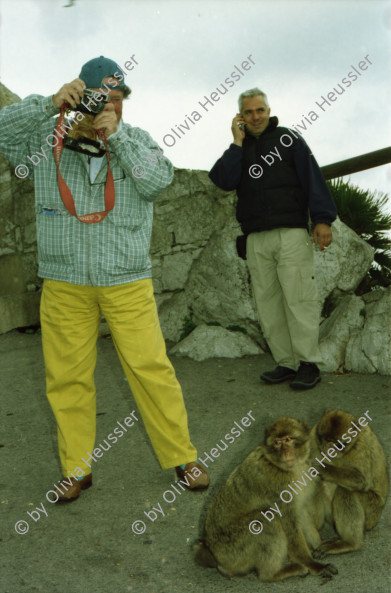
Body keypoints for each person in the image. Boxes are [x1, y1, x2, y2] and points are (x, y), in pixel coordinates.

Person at [0, 55, 209, 501]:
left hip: (126, 280)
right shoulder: (46, 135)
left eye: (117, 99)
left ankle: (182, 456)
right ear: (80, 97)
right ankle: (76, 469)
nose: (109, 108)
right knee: (66, 377)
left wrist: (120, 140)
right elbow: (2, 131)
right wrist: (46, 105)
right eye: (99, 99)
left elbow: (158, 182)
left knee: (152, 370)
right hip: (64, 279)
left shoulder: (136, 139)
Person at [209, 88, 337, 390]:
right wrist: (237, 143)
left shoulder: (288, 139)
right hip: (256, 238)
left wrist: (322, 220)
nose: (255, 117)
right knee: (267, 303)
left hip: (291, 232)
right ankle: (286, 363)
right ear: (241, 116)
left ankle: (308, 363)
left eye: (260, 110)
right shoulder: (239, 151)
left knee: (299, 298)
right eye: (249, 112)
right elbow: (222, 180)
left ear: (269, 111)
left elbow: (312, 177)